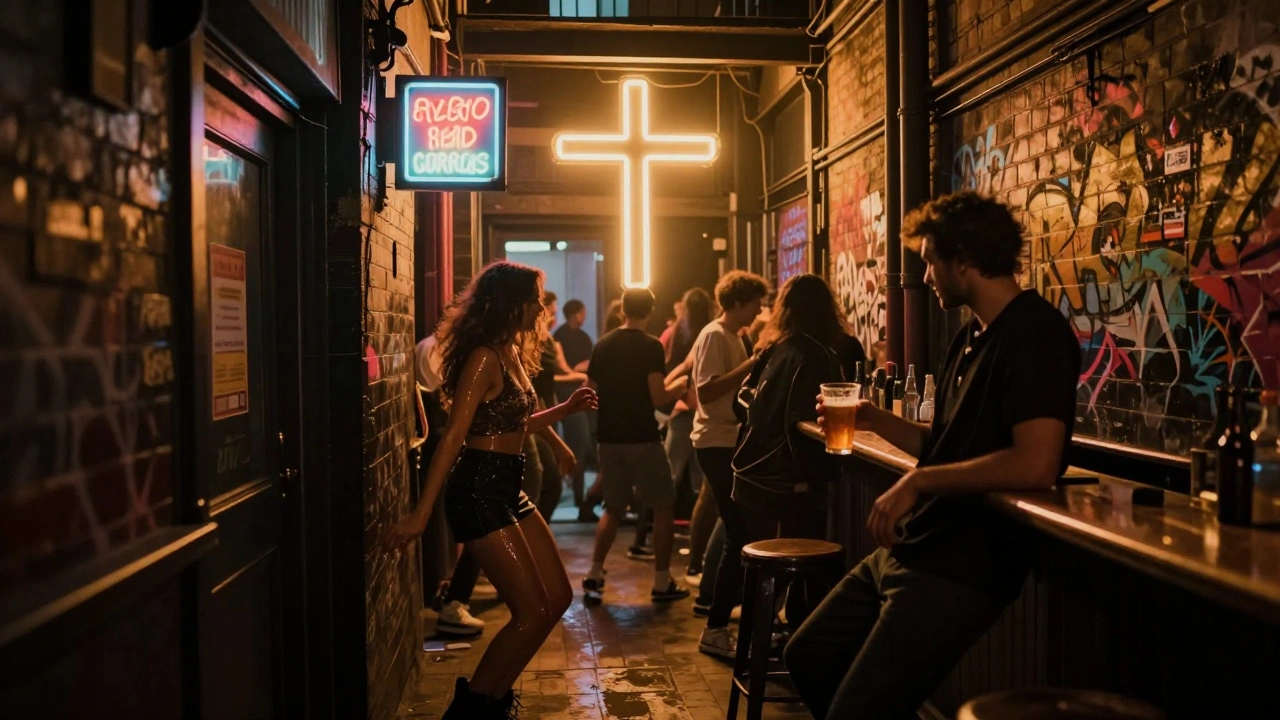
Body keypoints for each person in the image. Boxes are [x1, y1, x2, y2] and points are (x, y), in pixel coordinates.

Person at [783, 192, 1082, 719]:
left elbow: (1035, 463)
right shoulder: (968, 336)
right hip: (913, 548)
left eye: (928, 259)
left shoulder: (1035, 334)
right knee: (806, 654)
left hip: (961, 565)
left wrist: (919, 484)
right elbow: (940, 443)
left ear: (963, 257)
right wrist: (875, 420)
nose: (923, 275)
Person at [386, 262, 598, 719]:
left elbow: (513, 423)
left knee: (557, 600)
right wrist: (421, 515)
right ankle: (474, 709)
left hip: (506, 487)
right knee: (530, 613)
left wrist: (564, 410)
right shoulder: (484, 356)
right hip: (478, 490)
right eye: (536, 299)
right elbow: (453, 438)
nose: (542, 308)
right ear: (512, 304)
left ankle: (494, 700)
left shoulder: (511, 353)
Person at [731, 274, 852, 630]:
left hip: (751, 474)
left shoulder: (774, 349)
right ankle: (800, 631)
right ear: (827, 310)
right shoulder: (818, 354)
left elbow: (741, 402)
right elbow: (808, 423)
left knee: (771, 557)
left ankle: (767, 627)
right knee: (807, 551)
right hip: (785, 481)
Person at [582, 287, 693, 602]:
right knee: (662, 506)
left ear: (622, 310)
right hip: (643, 437)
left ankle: (593, 573)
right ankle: (661, 581)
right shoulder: (650, 346)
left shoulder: (602, 345)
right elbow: (658, 397)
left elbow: (590, 391)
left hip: (610, 437)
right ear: (651, 311)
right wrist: (678, 386)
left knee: (612, 508)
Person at [690, 270, 771, 658]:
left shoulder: (735, 336)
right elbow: (706, 392)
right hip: (715, 443)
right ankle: (716, 626)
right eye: (756, 302)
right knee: (739, 533)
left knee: (740, 530)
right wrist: (751, 365)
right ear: (739, 302)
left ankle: (730, 620)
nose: (760, 309)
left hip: (729, 441)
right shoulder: (714, 336)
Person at [660, 287, 714, 586]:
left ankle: (669, 545)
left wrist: (676, 393)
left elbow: (673, 368)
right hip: (700, 413)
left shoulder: (676, 332)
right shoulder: (709, 332)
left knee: (672, 479)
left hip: (683, 411)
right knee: (701, 486)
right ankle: (696, 555)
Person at [554, 299, 595, 520]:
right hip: (568, 396)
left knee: (579, 445)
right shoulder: (559, 337)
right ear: (575, 314)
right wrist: (578, 371)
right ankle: (579, 500)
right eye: (583, 312)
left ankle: (579, 498)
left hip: (573, 394)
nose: (584, 316)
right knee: (579, 445)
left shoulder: (562, 335)